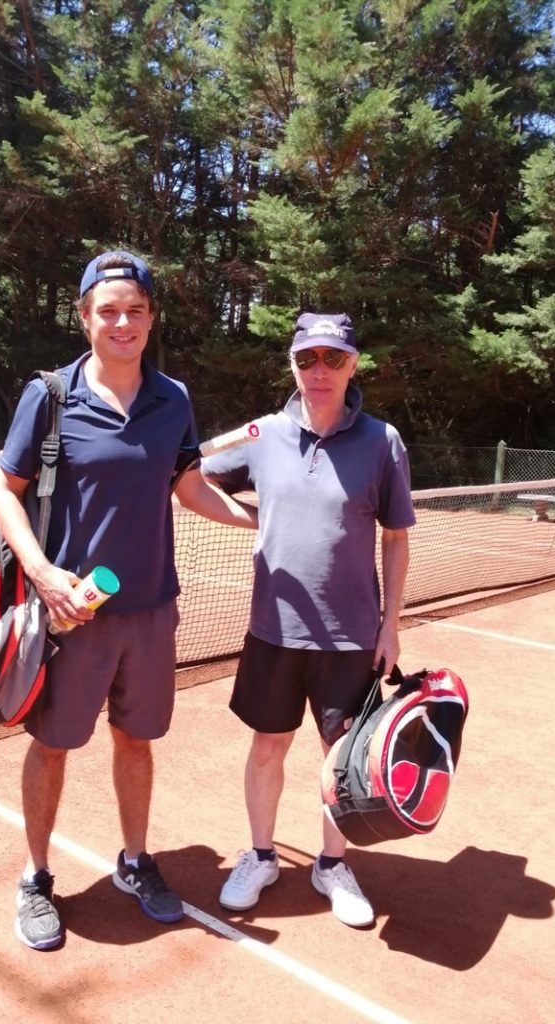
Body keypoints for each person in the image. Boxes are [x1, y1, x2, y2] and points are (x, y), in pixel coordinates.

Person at [0, 250, 257, 950]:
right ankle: (36, 877)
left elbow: (189, 486)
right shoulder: (50, 396)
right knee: (53, 746)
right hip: (72, 615)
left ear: (150, 318)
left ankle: (135, 862)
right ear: (85, 318)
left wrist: (261, 521)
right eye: (107, 311)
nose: (122, 322)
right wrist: (44, 574)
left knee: (136, 741)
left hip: (152, 612)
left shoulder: (174, 400)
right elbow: (3, 492)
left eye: (135, 311)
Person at [202, 312, 415, 928]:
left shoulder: (383, 441)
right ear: (292, 364)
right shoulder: (262, 433)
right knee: (268, 745)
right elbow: (192, 478)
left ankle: (332, 864)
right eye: (306, 358)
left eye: (333, 358)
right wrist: (255, 518)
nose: (319, 370)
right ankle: (262, 856)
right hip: (273, 629)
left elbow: (396, 537)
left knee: (339, 756)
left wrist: (390, 626)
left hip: (351, 636)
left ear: (353, 364)